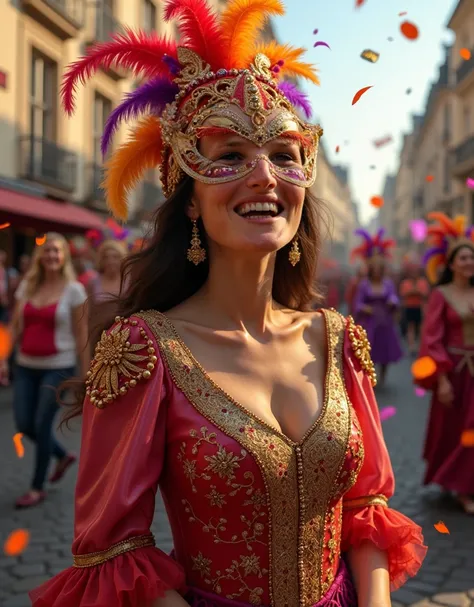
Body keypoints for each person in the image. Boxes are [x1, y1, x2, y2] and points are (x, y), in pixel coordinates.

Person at [30, 1, 426, 605]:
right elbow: (113, 550)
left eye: (285, 156)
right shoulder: (144, 352)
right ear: (189, 198)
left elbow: (366, 507)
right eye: (230, 155)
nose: (264, 176)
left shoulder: (339, 339)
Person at [0, 233, 89, 508]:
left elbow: (81, 333)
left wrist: (85, 376)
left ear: (64, 257)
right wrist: (4, 359)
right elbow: (15, 326)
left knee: (41, 423)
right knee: (24, 424)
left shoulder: (74, 290)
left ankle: (37, 488)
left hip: (58, 367)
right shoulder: (28, 285)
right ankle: (62, 455)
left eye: (57, 251)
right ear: (41, 256)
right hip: (25, 365)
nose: (51, 256)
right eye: (47, 251)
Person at [416, 212, 474, 514]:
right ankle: (460, 487)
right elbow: (432, 339)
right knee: (454, 429)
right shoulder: (441, 295)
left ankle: (466, 485)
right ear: (451, 265)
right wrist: (441, 379)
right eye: (463, 258)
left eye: (471, 258)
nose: (468, 262)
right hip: (453, 371)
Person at [352, 229, 403, 387]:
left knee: (385, 350)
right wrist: (364, 308)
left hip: (385, 321)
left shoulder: (388, 283)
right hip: (369, 322)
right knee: (369, 351)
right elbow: (357, 302)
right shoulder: (364, 284)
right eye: (374, 268)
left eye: (379, 268)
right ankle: (369, 378)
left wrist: (392, 302)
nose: (377, 271)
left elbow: (394, 296)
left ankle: (383, 376)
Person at [399, 263, 430, 357]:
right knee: (411, 327)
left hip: (420, 307)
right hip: (409, 307)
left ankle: (420, 346)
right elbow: (403, 294)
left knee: (421, 327)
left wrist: (415, 292)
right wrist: (414, 292)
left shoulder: (423, 282)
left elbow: (425, 294)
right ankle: (412, 346)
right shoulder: (405, 283)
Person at [87, 239, 127, 303]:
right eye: (106, 257)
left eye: (115, 257)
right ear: (101, 260)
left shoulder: (129, 281)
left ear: (122, 259)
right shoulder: (93, 283)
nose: (110, 261)